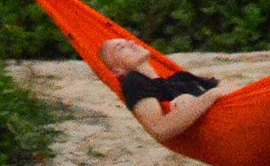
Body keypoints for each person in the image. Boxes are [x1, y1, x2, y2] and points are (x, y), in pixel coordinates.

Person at [99, 37, 231, 144]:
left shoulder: (180, 77)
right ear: (117, 71)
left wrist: (208, 96)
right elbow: (159, 129)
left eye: (130, 41)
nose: (132, 44)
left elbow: (229, 90)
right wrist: (210, 96)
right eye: (121, 47)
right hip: (226, 130)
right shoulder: (134, 81)